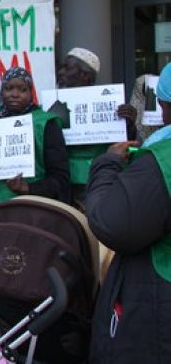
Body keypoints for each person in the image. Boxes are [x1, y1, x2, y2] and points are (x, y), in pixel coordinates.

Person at [87, 62, 171, 362]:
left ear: (163, 105)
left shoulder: (160, 160)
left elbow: (112, 224)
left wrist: (107, 165)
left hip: (157, 300)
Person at [0, 67, 70, 209]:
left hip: (33, 208)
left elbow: (60, 177)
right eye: (9, 88)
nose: (15, 94)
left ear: (31, 93)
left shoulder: (46, 123)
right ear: (2, 92)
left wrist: (28, 188)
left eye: (22, 89)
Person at [56, 47, 137, 207]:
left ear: (84, 75)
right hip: (62, 183)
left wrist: (128, 123)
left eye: (67, 68)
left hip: (95, 182)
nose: (60, 72)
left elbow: (129, 148)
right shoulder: (53, 104)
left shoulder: (111, 106)